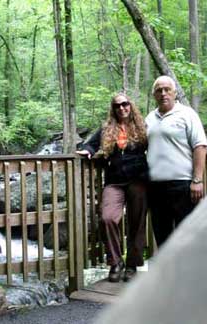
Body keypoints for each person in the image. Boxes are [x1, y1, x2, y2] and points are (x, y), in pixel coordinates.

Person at [77, 93, 148, 282]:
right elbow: (90, 145)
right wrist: (88, 151)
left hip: (138, 180)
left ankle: (132, 264)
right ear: (113, 109)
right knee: (108, 218)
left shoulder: (142, 127)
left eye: (125, 104)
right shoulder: (107, 128)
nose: (122, 108)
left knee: (137, 222)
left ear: (130, 106)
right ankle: (116, 262)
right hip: (114, 181)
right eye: (117, 106)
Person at [146, 75, 207, 247]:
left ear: (175, 93)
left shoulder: (187, 114)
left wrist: (197, 180)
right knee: (162, 236)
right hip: (156, 188)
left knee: (186, 235)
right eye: (159, 90)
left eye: (167, 90)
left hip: (183, 185)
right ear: (154, 95)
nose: (163, 93)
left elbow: (200, 146)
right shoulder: (149, 119)